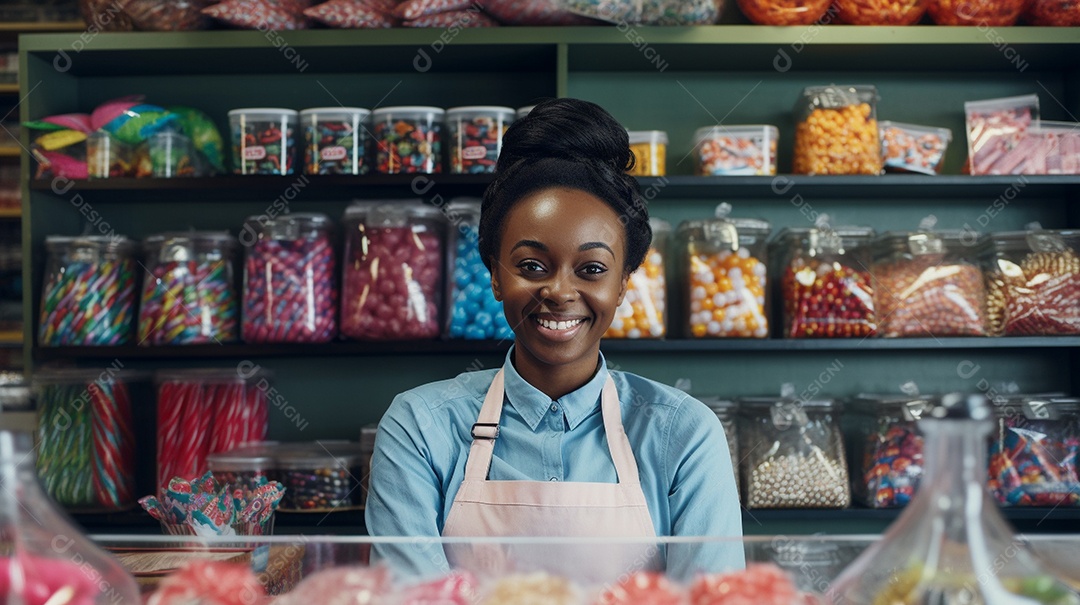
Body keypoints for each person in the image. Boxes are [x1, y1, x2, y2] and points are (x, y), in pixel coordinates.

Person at [365, 98, 743, 582]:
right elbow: (412, 599)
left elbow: (712, 598)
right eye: (531, 266)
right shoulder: (420, 428)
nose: (560, 291)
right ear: (496, 276)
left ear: (623, 283)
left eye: (591, 269)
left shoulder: (683, 434)